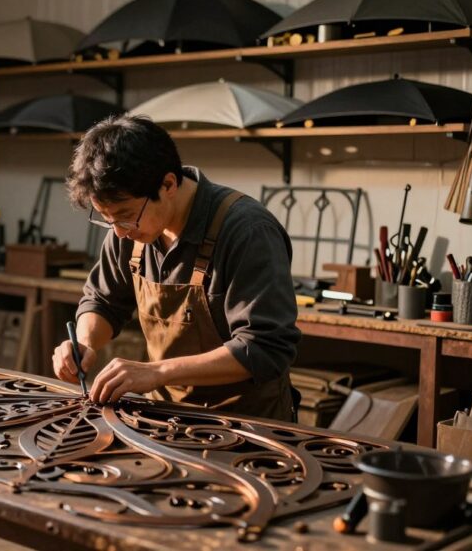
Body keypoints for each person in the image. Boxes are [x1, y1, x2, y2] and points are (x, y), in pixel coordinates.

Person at [52, 115, 299, 421]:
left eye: (125, 215)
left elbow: (265, 348)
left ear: (168, 184)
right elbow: (103, 301)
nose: (117, 232)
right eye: (107, 218)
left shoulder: (247, 231)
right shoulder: (131, 228)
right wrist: (84, 343)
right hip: (166, 418)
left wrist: (158, 372)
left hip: (247, 425)